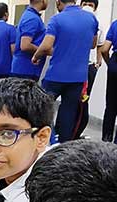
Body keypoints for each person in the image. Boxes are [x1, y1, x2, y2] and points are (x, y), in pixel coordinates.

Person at [33, 0, 98, 143]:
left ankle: (49, 140)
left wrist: (36, 56)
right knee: (69, 112)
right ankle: (62, 145)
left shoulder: (57, 19)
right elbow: (93, 44)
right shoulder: (91, 18)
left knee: (43, 107)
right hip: (78, 77)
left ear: (58, 2)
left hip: (56, 75)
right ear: (75, 1)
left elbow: (46, 46)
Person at [75, 0, 104, 139]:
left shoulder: (97, 23)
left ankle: (77, 131)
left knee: (83, 100)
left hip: (88, 66)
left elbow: (98, 45)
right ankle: (69, 131)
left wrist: (98, 63)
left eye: (90, 5)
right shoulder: (75, 20)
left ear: (95, 8)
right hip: (74, 65)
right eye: (85, 3)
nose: (87, 7)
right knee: (72, 98)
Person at [11, 0, 48, 81]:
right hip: (25, 71)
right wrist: (43, 51)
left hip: (26, 70)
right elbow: (25, 45)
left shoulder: (31, 16)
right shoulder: (32, 18)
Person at [100, 18, 117, 142]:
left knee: (110, 106)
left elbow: (105, 49)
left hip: (115, 65)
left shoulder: (115, 24)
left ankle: (106, 140)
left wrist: (110, 64)